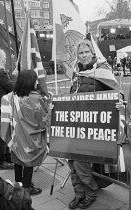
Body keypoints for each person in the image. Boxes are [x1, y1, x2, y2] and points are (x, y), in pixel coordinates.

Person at [68, 39, 123, 209]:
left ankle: (90, 192)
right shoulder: (77, 73)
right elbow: (72, 97)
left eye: (86, 52)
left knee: (80, 163)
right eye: (80, 53)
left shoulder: (102, 71)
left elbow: (116, 93)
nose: (84, 56)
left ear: (92, 53)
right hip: (75, 124)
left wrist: (121, 103)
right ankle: (78, 194)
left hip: (92, 127)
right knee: (71, 160)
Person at [0, 70, 49, 196]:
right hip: (31, 136)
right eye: (35, 79)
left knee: (17, 158)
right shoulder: (36, 98)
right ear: (31, 81)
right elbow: (43, 119)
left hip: (16, 135)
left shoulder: (12, 96)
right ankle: (27, 187)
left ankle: (18, 184)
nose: (37, 82)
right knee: (29, 160)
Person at [0, 49, 17, 170]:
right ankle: (1, 161)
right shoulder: (0, 72)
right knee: (3, 135)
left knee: (3, 133)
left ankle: (7, 156)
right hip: (2, 108)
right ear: (0, 59)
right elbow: (12, 88)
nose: (6, 60)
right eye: (5, 58)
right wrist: (15, 76)